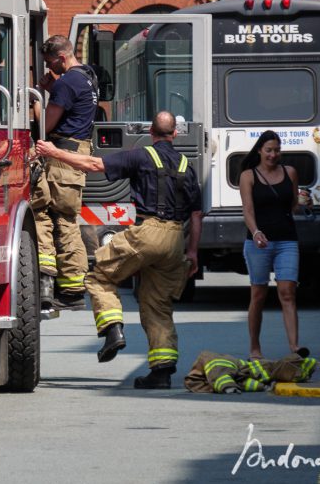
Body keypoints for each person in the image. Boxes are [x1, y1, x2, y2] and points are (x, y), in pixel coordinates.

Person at [36, 111, 202, 389]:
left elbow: (92, 163)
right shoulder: (187, 165)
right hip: (176, 241)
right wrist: (193, 252)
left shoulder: (141, 155)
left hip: (147, 232)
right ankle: (162, 372)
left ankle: (113, 329)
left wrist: (54, 152)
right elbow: (196, 216)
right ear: (175, 134)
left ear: (151, 132)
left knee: (100, 277)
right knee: (157, 304)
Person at [30, 35, 99, 310]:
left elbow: (46, 124)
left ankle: (50, 284)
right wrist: (54, 88)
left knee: (45, 213)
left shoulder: (67, 83)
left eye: (50, 63)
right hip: (75, 155)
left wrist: (37, 98)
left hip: (60, 157)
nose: (49, 68)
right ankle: (70, 289)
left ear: (61, 57)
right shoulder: (88, 76)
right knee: (67, 219)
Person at [239, 130, 308, 359]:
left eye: (277, 150)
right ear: (260, 150)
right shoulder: (249, 176)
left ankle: (295, 347)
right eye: (268, 150)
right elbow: (247, 210)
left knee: (288, 292)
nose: (273, 154)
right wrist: (256, 231)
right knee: (258, 295)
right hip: (259, 242)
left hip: (287, 240)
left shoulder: (290, 172)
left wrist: (304, 202)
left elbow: (293, 206)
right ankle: (254, 347)